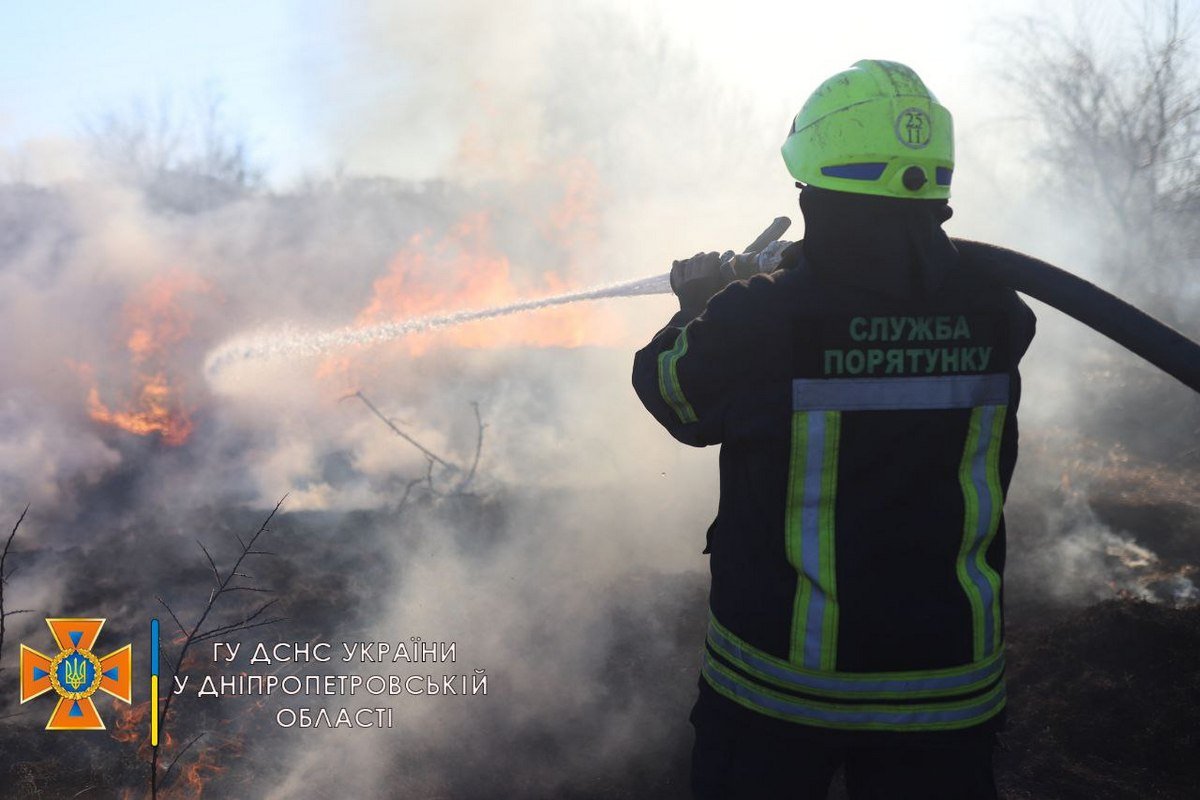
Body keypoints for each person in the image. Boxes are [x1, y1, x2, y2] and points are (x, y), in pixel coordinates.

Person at [632, 59, 1037, 799]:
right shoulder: (1002, 311)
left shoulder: (762, 315)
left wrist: (698, 303)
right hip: (945, 686)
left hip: (782, 687)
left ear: (815, 184)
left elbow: (671, 394)